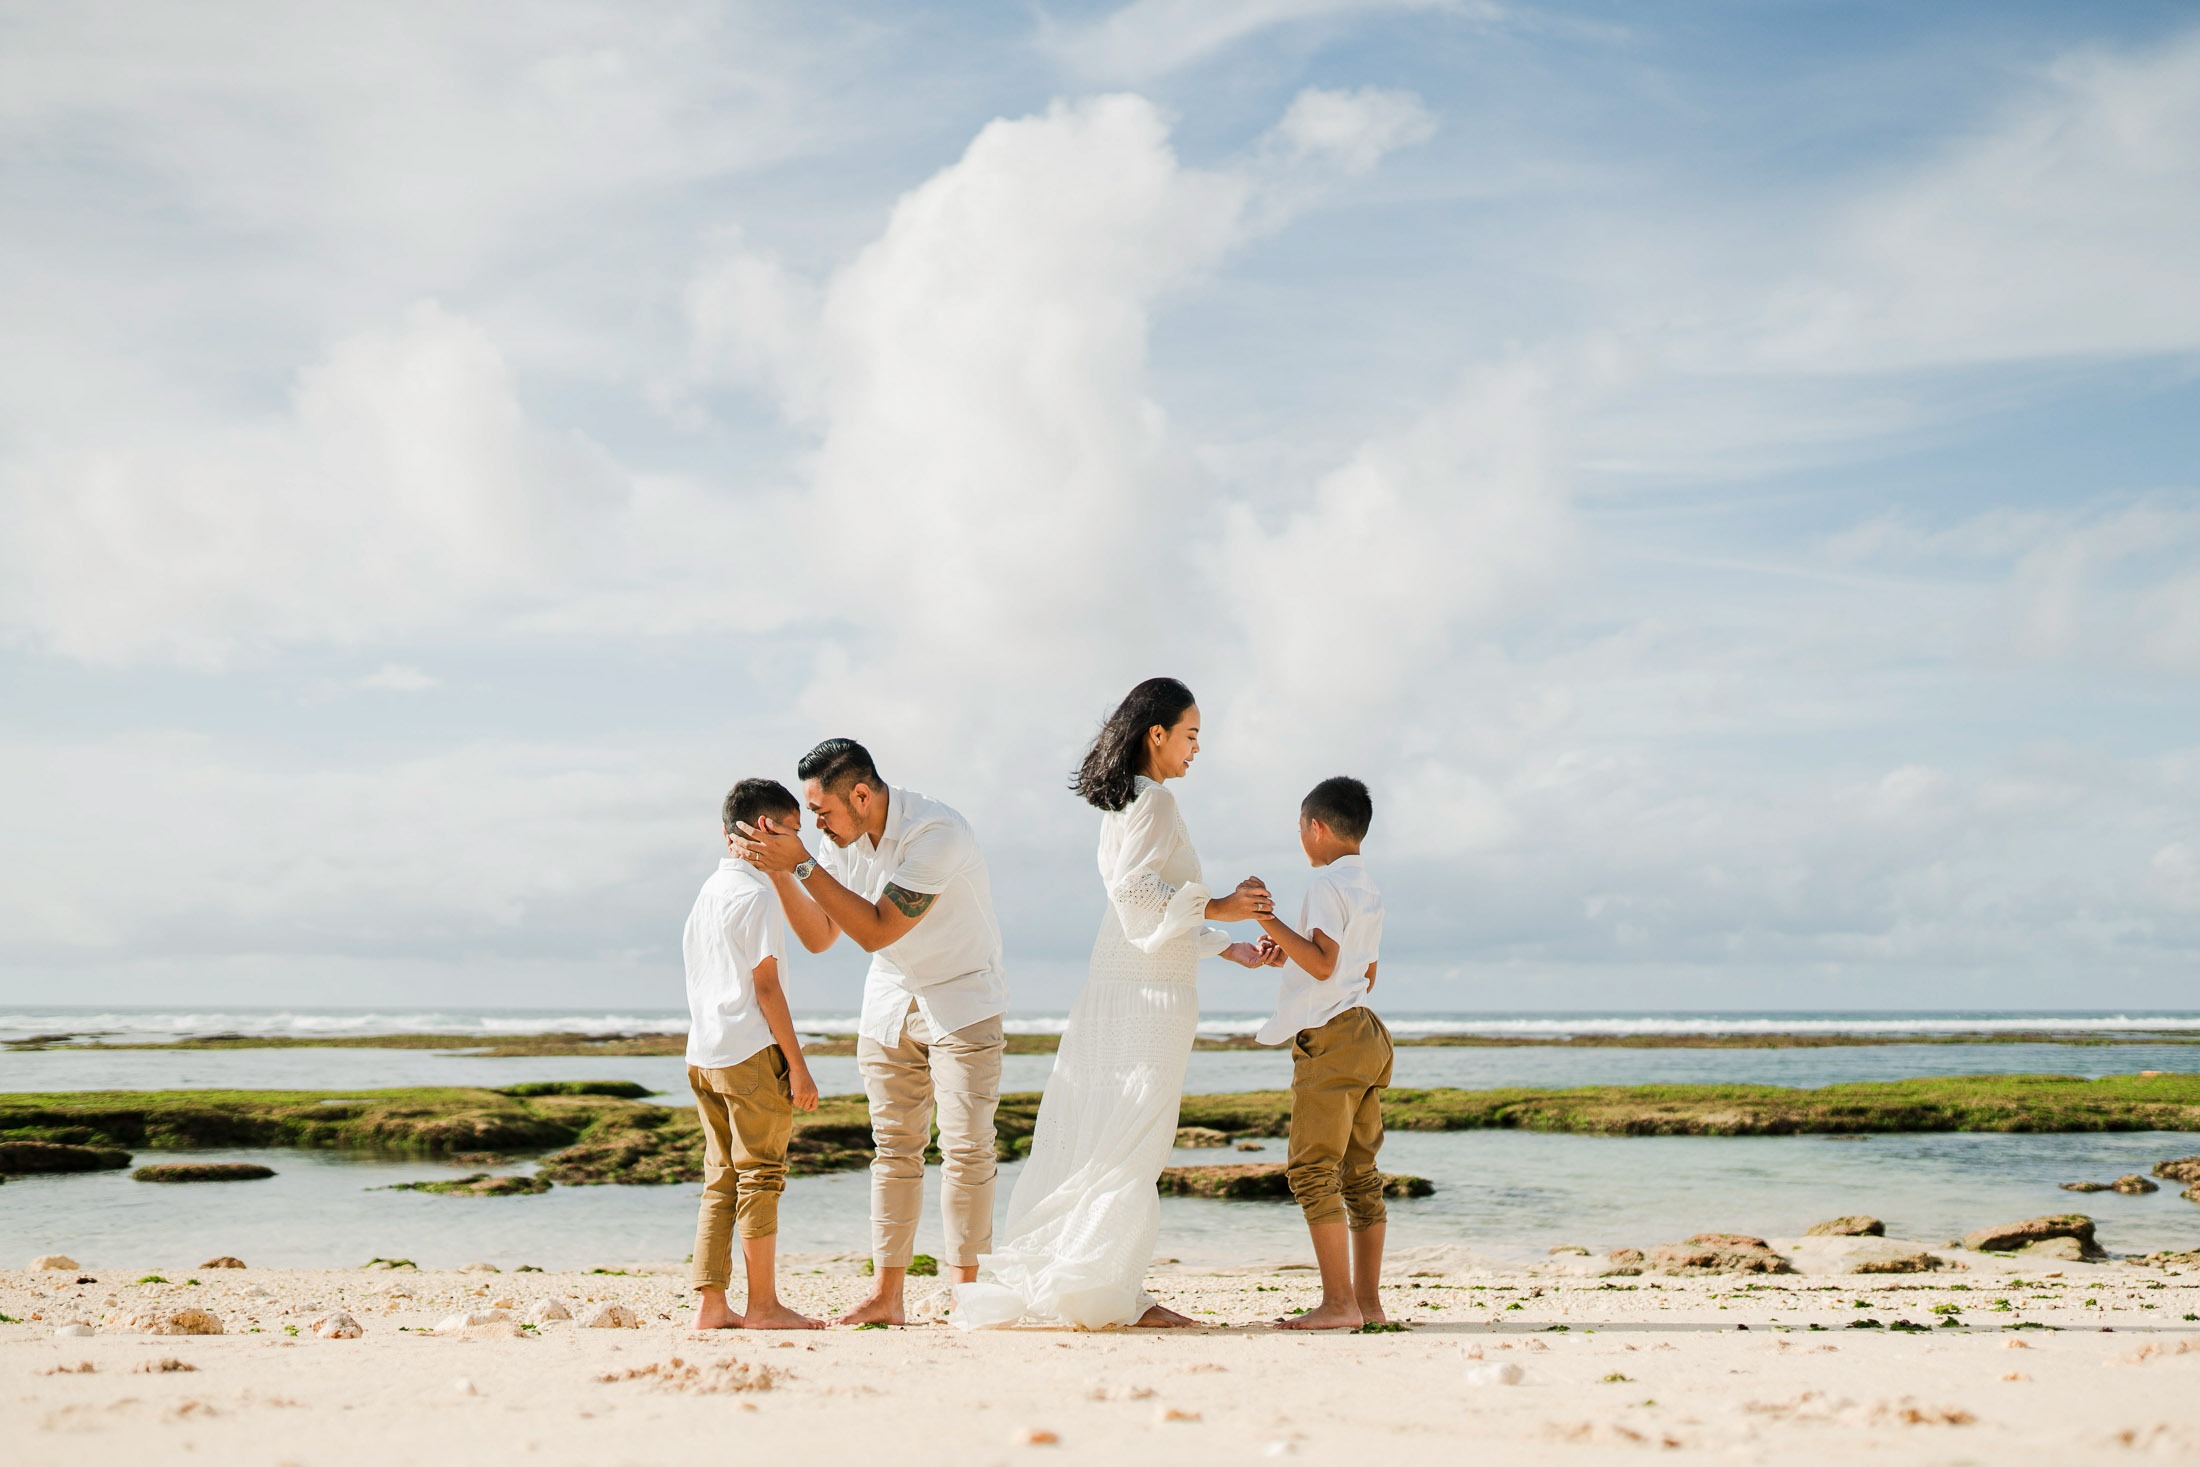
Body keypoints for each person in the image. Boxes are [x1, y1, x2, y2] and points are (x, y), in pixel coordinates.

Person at [953, 677, 1275, 1330]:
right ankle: (1103, 1291)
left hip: (1122, 982)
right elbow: (1137, 900)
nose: (1196, 749)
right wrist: (1222, 906)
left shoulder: (1124, 804)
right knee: (1133, 1140)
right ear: (1156, 734)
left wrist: (1225, 944)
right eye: (1190, 735)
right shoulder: (1155, 804)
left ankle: (1103, 1284)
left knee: (1102, 1133)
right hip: (1149, 996)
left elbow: (1142, 901)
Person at [733, 738, 1008, 1326]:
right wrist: (778, 869)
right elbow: (819, 935)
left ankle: (966, 1297)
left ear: (862, 794)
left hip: (962, 997)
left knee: (965, 1150)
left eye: (823, 812)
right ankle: (888, 1297)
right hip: (889, 1000)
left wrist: (800, 862)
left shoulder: (939, 833)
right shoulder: (842, 839)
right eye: (810, 816)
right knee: (894, 1152)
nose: (817, 825)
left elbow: (880, 929)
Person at [682, 778, 825, 1331]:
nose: (795, 843)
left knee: (721, 1178)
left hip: (704, 1054)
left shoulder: (709, 892)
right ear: (766, 828)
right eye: (792, 830)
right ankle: (763, 1307)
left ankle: (712, 1306)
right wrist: (801, 1068)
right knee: (762, 1176)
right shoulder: (756, 895)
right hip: (749, 1053)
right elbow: (767, 991)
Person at [1251, 775, 1391, 1330]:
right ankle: (1369, 1306)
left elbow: (1325, 965)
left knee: (1312, 1171)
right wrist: (1288, 949)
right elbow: (1363, 971)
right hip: (1367, 1034)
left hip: (1332, 1039)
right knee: (1360, 1174)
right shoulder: (1369, 889)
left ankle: (1338, 1306)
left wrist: (1267, 919)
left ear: (1317, 828)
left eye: (1300, 830)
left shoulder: (1324, 885)